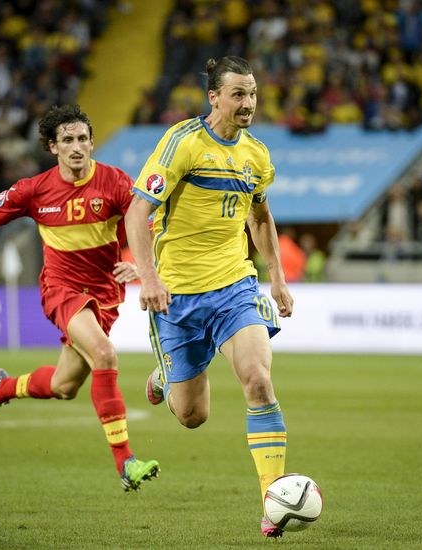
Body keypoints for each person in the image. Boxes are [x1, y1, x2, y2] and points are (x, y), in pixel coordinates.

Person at [124, 56, 294, 538]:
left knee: (258, 381)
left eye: (253, 93)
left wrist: (276, 277)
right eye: (238, 94)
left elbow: (259, 217)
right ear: (213, 97)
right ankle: (166, 375)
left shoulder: (257, 157)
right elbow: (138, 214)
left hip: (235, 286)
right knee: (192, 416)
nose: (248, 103)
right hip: (176, 297)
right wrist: (150, 279)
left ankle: (273, 503)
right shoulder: (182, 143)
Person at [0, 104, 159, 491]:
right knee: (104, 355)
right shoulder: (34, 190)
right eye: (67, 140)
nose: (77, 147)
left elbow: (148, 224)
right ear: (53, 147)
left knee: (64, 387)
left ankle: (1, 388)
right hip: (62, 290)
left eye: (83, 139)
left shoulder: (116, 182)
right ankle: (126, 463)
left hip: (104, 296)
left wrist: (138, 265)